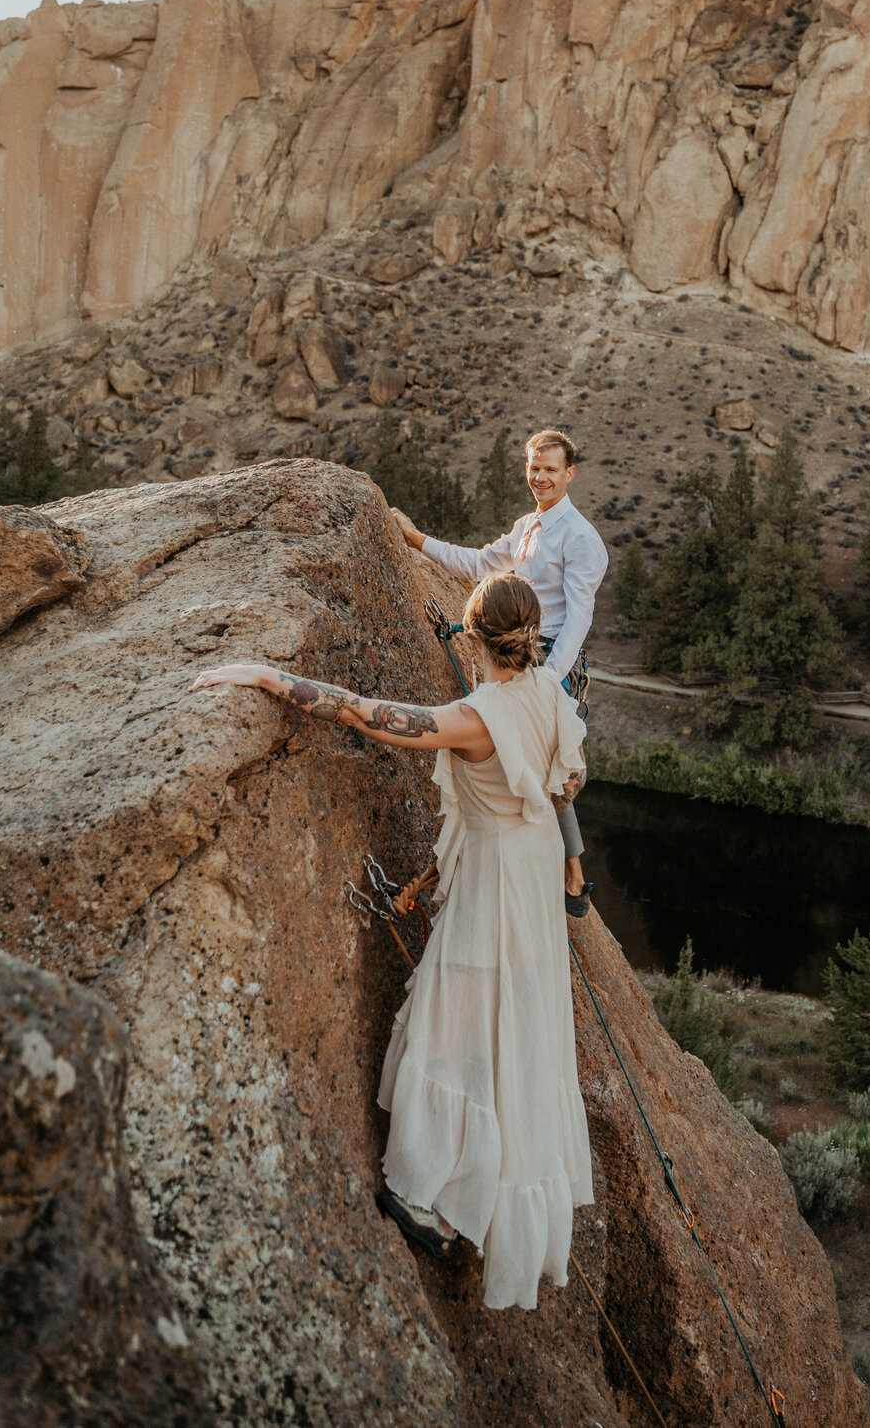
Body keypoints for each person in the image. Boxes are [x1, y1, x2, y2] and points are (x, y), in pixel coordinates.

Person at [188, 571, 593, 1311]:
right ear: (529, 635)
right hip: (527, 876)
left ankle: (431, 1199)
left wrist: (269, 676)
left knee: (453, 1026)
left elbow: (372, 717)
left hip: (496, 887)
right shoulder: (551, 695)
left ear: (472, 636)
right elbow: (568, 781)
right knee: (514, 1031)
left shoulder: (478, 715)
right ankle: (482, 1194)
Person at [390, 428, 607, 914]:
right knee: (512, 761)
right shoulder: (528, 527)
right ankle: (558, 870)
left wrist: (547, 679)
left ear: (569, 473)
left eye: (551, 469)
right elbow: (480, 564)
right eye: (534, 467)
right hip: (515, 653)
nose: (541, 477)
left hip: (548, 659)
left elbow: (579, 618)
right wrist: (417, 540)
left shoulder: (581, 539)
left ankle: (573, 876)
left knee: (553, 770)